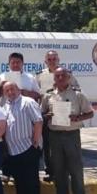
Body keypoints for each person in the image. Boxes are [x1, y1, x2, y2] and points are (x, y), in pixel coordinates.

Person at [41, 68, 93, 194]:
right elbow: (42, 114)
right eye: (57, 76)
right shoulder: (48, 95)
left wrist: (78, 118)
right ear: (54, 78)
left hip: (71, 135)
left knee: (76, 172)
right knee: (59, 171)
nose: (61, 78)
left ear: (69, 78)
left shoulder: (78, 94)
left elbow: (90, 113)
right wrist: (47, 116)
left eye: (64, 75)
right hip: (54, 136)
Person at [36, 50, 80, 183]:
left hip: (64, 115)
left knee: (65, 147)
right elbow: (37, 94)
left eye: (54, 59)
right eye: (49, 59)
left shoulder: (67, 74)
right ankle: (51, 171)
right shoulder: (40, 76)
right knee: (48, 146)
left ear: (58, 59)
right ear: (45, 61)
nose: (52, 61)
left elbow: (77, 90)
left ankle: (62, 172)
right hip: (48, 115)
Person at [2, 81, 43, 194]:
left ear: (18, 89)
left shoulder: (28, 102)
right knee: (19, 178)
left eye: (12, 89)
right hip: (13, 149)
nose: (10, 92)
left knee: (30, 178)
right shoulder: (6, 105)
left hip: (28, 147)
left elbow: (38, 121)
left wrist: (35, 142)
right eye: (7, 90)